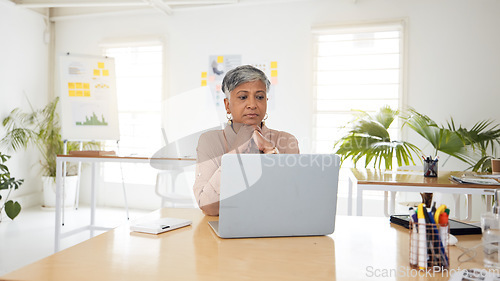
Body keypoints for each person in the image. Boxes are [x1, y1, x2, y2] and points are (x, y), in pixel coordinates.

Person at [192, 65, 300, 216]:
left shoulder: (286, 140)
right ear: (227, 105)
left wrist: (270, 151)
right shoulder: (210, 140)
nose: (252, 105)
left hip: (274, 228)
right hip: (224, 230)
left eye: (260, 97)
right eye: (243, 97)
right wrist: (237, 149)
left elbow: (289, 200)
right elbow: (209, 207)